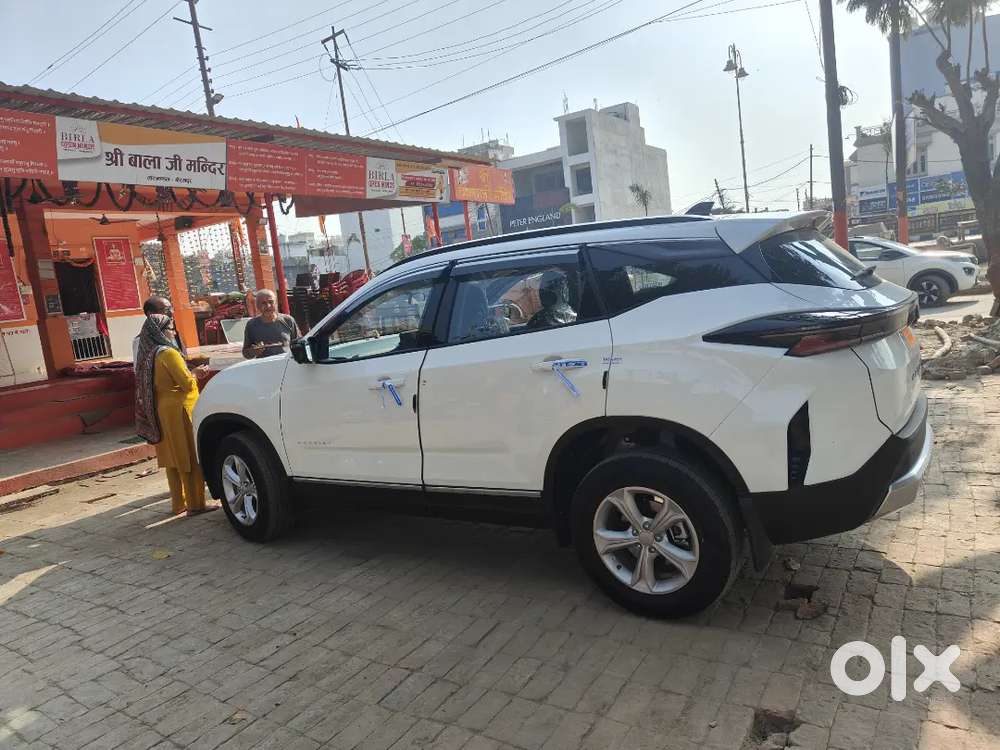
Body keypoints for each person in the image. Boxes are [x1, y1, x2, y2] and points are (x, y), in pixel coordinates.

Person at [134, 313, 209, 516]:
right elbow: (186, 383)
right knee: (189, 457)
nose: (173, 332)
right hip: (180, 410)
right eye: (170, 328)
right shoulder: (168, 354)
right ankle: (196, 504)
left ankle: (178, 504)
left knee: (173, 460)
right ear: (160, 331)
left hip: (163, 411)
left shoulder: (150, 354)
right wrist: (197, 373)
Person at [243, 289, 300, 359]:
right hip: (264, 365)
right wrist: (253, 351)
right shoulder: (251, 325)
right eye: (263, 303)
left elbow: (299, 344)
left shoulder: (288, 320)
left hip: (286, 363)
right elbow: (245, 353)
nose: (268, 306)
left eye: (271, 302)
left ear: (276, 303)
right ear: (257, 306)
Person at [133, 296, 173, 362]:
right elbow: (140, 369)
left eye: (171, 308)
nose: (171, 313)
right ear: (151, 314)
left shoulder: (174, 334)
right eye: (166, 309)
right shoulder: (141, 341)